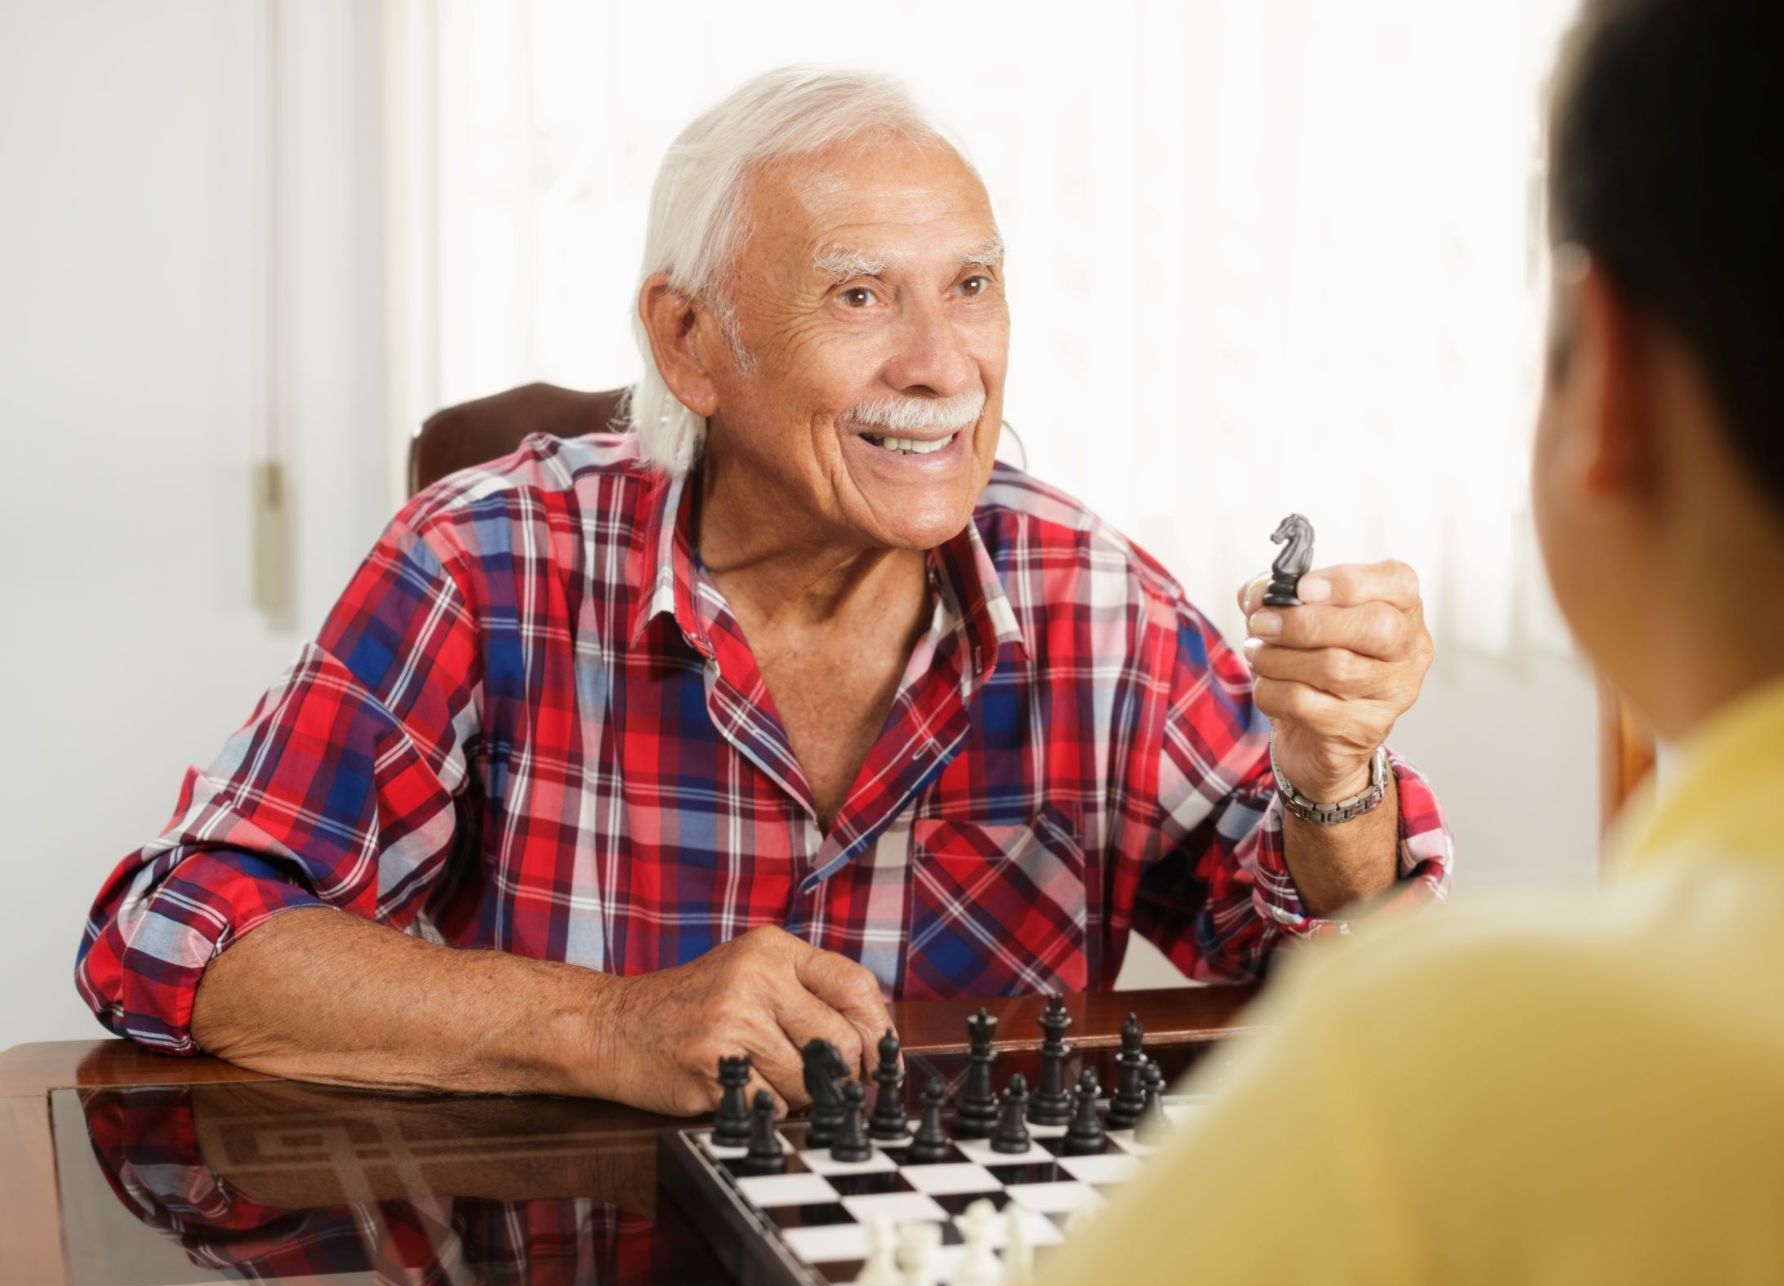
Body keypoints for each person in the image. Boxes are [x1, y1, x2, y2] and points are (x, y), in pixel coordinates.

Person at [968, 1, 1784, 1286]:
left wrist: (1334, 792)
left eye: (971, 286)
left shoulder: (1445, 1078)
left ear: (1616, 386)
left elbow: (1327, 928)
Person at [76, 69, 1449, 1117]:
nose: (942, 365)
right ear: (690, 341)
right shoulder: (485, 562)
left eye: (971, 286)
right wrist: (605, 1024)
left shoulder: (1100, 603)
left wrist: (1337, 778)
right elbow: (179, 929)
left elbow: (1343, 967)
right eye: (861, 297)